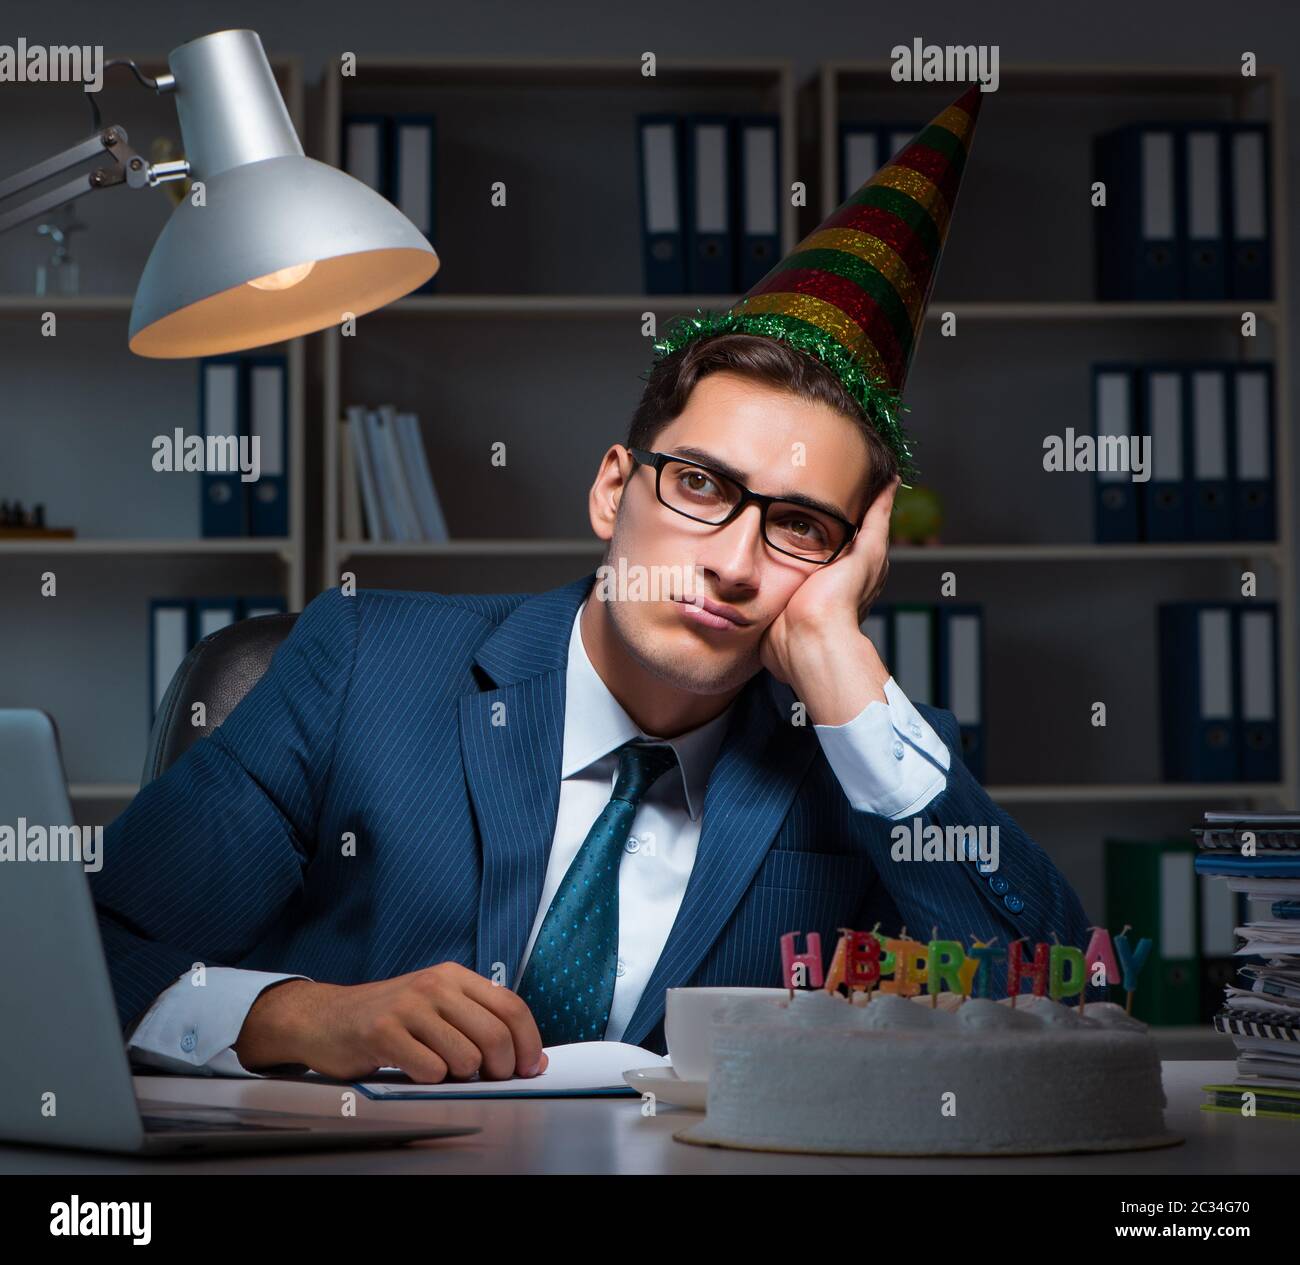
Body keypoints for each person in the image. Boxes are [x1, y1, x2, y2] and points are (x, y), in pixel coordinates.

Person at [90, 84, 1093, 1083]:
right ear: (614, 488)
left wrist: (841, 668)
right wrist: (297, 1015)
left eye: (798, 523)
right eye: (700, 484)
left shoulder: (867, 762)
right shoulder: (362, 665)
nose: (735, 563)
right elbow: (89, 944)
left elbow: (1061, 1012)